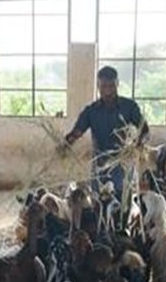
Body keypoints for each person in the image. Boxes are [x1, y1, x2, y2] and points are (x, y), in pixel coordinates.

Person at [62, 65, 149, 198]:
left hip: (122, 165)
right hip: (99, 166)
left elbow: (145, 130)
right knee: (98, 201)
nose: (107, 92)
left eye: (111, 86)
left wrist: (139, 143)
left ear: (117, 84)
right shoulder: (91, 111)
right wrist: (66, 143)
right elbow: (76, 133)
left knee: (121, 201)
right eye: (103, 87)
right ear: (98, 86)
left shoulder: (129, 107)